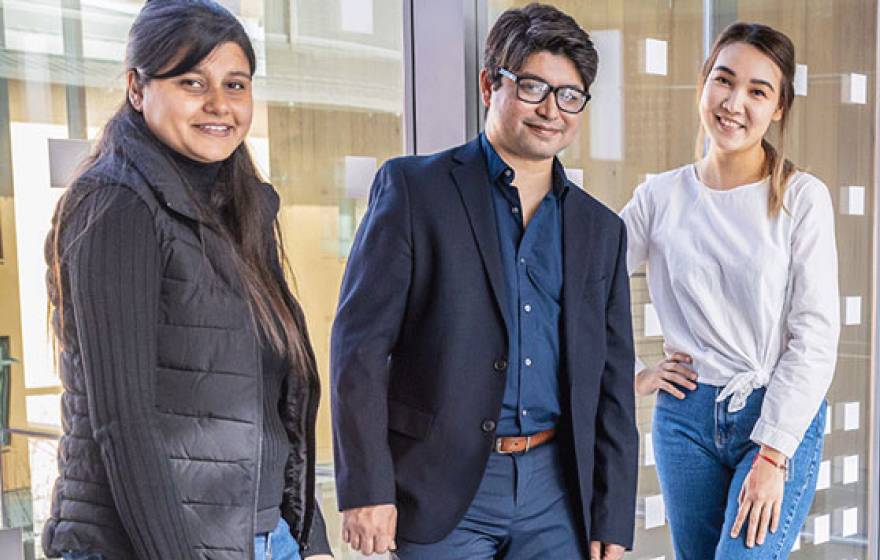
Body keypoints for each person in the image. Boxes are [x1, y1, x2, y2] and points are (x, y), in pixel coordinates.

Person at [330, 4, 637, 559]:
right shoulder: (414, 190)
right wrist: (366, 487)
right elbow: (359, 349)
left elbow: (613, 387)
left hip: (556, 491)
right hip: (440, 483)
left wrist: (611, 517)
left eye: (570, 96)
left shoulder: (601, 229)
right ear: (488, 84)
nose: (551, 110)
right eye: (533, 87)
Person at [42, 1, 332, 558]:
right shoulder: (115, 204)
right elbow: (122, 422)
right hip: (150, 545)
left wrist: (308, 535)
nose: (219, 104)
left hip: (264, 538)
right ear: (136, 87)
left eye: (236, 84)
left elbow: (276, 410)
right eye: (191, 82)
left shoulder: (242, 211)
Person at [621, 22, 839, 559]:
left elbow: (814, 334)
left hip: (774, 414)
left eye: (757, 91)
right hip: (684, 416)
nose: (734, 102)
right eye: (724, 80)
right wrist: (634, 374)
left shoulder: (801, 198)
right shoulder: (660, 197)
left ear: (779, 107)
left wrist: (772, 455)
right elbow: (585, 285)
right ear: (703, 83)